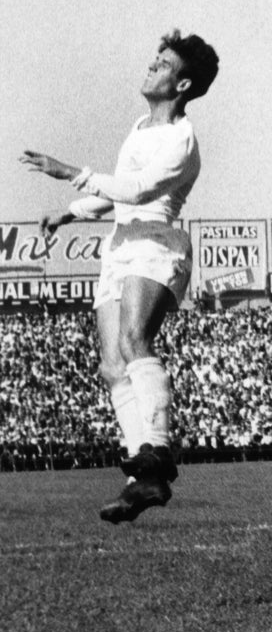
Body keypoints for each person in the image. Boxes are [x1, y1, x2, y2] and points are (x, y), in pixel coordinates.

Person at [20, 29, 219, 523]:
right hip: (120, 245)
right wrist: (70, 211)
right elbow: (114, 194)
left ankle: (160, 450)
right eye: (154, 59)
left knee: (133, 340)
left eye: (163, 64)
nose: (151, 66)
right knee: (111, 364)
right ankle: (141, 479)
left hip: (154, 242)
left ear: (183, 83)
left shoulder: (182, 137)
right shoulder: (139, 127)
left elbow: (138, 189)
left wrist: (69, 172)